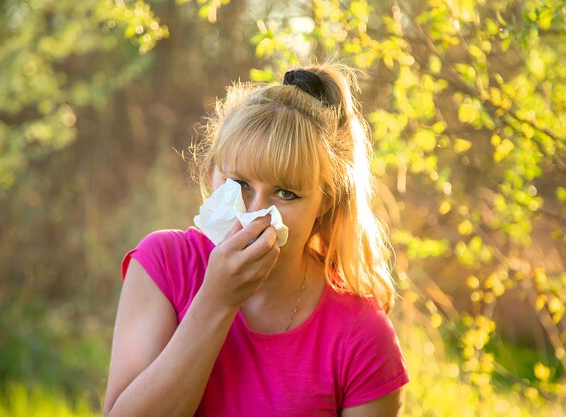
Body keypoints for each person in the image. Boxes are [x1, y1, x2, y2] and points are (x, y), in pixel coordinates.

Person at [103, 63, 409, 417]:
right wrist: (217, 301)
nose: (257, 212)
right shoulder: (164, 265)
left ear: (323, 203)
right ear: (212, 173)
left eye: (285, 193)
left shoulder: (361, 334)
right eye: (239, 184)